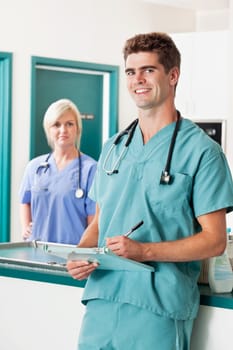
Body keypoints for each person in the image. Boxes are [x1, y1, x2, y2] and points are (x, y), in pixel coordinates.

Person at [67, 32, 233, 350]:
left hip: (159, 308)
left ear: (173, 75)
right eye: (131, 71)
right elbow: (99, 223)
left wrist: (145, 252)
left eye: (148, 70)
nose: (137, 80)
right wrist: (80, 254)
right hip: (102, 303)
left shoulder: (202, 152)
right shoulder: (114, 147)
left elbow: (214, 241)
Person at [19, 98, 97, 244]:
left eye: (69, 124)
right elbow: (25, 201)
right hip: (37, 249)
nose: (63, 130)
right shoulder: (35, 167)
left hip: (73, 252)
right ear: (48, 129)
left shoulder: (91, 169)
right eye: (56, 125)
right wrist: (25, 227)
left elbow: (94, 222)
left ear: (78, 128)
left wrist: (84, 253)